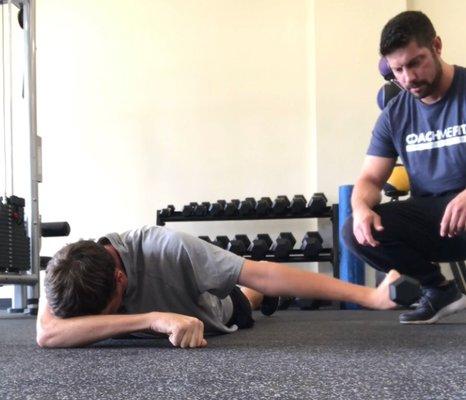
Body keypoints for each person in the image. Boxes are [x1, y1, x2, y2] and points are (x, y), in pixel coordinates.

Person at [37, 225, 398, 349]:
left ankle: (262, 301)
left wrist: (369, 295)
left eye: (112, 310)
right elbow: (48, 334)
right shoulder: (68, 267)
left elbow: (262, 271)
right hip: (166, 313)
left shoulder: (170, 248)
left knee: (245, 299)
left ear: (120, 279)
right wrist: (153, 319)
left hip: (210, 310)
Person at [342, 11, 466, 324]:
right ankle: (439, 290)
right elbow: (370, 178)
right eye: (398, 69)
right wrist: (360, 209)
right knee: (355, 231)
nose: (408, 78)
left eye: (415, 62)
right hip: (436, 221)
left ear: (436, 46)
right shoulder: (395, 114)